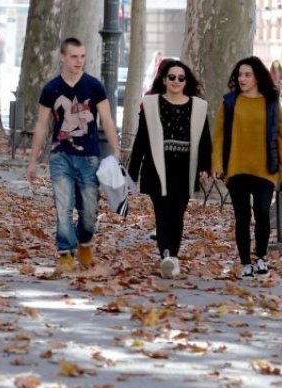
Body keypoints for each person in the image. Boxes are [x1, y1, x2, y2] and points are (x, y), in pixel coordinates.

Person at [26, 37, 120, 273]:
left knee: (89, 209)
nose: (79, 61)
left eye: (82, 56)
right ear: (63, 57)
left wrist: (116, 151)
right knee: (63, 206)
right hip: (60, 156)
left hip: (89, 157)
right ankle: (65, 252)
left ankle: (85, 242)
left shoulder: (94, 86)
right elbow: (41, 124)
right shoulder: (51, 89)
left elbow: (107, 120)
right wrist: (33, 161)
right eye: (74, 56)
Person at [128, 60, 212, 278]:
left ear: (186, 82)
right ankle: (166, 254)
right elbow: (142, 139)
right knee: (162, 213)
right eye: (172, 77)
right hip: (157, 166)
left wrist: (205, 167)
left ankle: (172, 256)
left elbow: (205, 140)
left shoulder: (199, 106)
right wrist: (133, 171)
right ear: (164, 80)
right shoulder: (151, 104)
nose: (176, 81)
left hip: (185, 167)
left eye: (181, 78)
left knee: (178, 214)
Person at [212, 56, 282, 277]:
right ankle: (246, 261)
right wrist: (217, 164)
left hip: (264, 169)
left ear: (257, 77)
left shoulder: (271, 102)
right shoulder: (229, 102)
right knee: (242, 217)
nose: (242, 79)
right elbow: (218, 137)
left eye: (247, 75)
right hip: (235, 169)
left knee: (263, 213)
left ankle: (262, 257)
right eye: (239, 75)